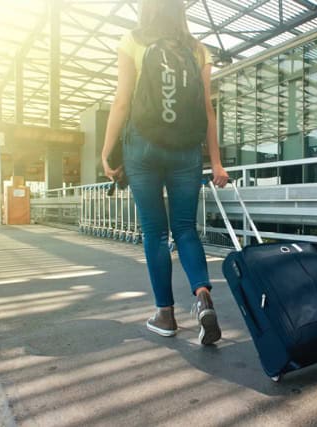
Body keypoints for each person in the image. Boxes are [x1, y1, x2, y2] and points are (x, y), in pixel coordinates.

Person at [101, 0, 229, 344]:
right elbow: (207, 109)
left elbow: (122, 101)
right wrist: (215, 162)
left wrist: (107, 149)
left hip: (142, 147)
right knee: (186, 229)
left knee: (155, 232)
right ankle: (202, 298)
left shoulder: (134, 40)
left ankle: (165, 314)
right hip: (186, 151)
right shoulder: (197, 49)